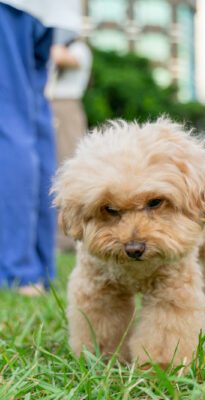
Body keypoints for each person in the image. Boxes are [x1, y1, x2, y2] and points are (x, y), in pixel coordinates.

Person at [0, 0, 80, 295]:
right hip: (49, 12)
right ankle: (40, 269)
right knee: (32, 125)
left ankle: (16, 272)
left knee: (8, 125)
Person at [47, 29, 92, 251]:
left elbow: (61, 58)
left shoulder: (79, 48)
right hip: (50, 105)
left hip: (66, 106)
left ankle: (66, 237)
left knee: (67, 167)